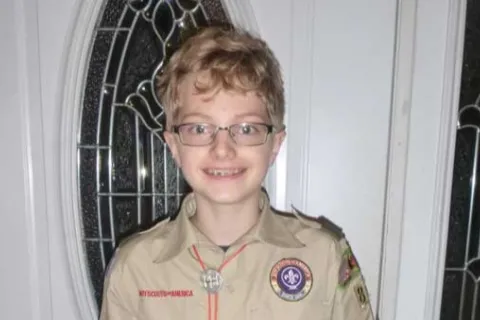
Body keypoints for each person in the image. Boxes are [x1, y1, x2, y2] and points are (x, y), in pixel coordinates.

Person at [99, 24, 375, 320]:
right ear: (174, 145)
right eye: (199, 128)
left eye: (245, 129)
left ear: (275, 144)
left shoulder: (324, 257)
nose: (223, 149)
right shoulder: (135, 267)